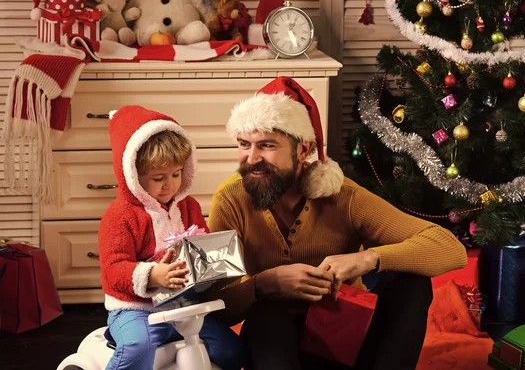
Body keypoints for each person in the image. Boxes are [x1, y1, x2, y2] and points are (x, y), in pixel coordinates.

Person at [207, 77, 468, 370]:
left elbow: (451, 249)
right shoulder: (230, 199)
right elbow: (216, 306)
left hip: (343, 332)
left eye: (266, 145)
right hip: (276, 340)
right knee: (267, 315)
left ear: (303, 150)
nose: (251, 158)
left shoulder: (345, 196)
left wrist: (366, 260)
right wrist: (266, 283)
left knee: (412, 284)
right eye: (244, 144)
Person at [98, 105, 246, 370]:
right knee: (137, 348)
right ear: (132, 175)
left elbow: (202, 244)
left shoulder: (187, 207)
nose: (170, 185)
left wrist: (218, 264)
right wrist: (153, 275)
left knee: (231, 350)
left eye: (176, 174)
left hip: (184, 306)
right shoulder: (120, 215)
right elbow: (113, 270)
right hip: (136, 311)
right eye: (158, 178)